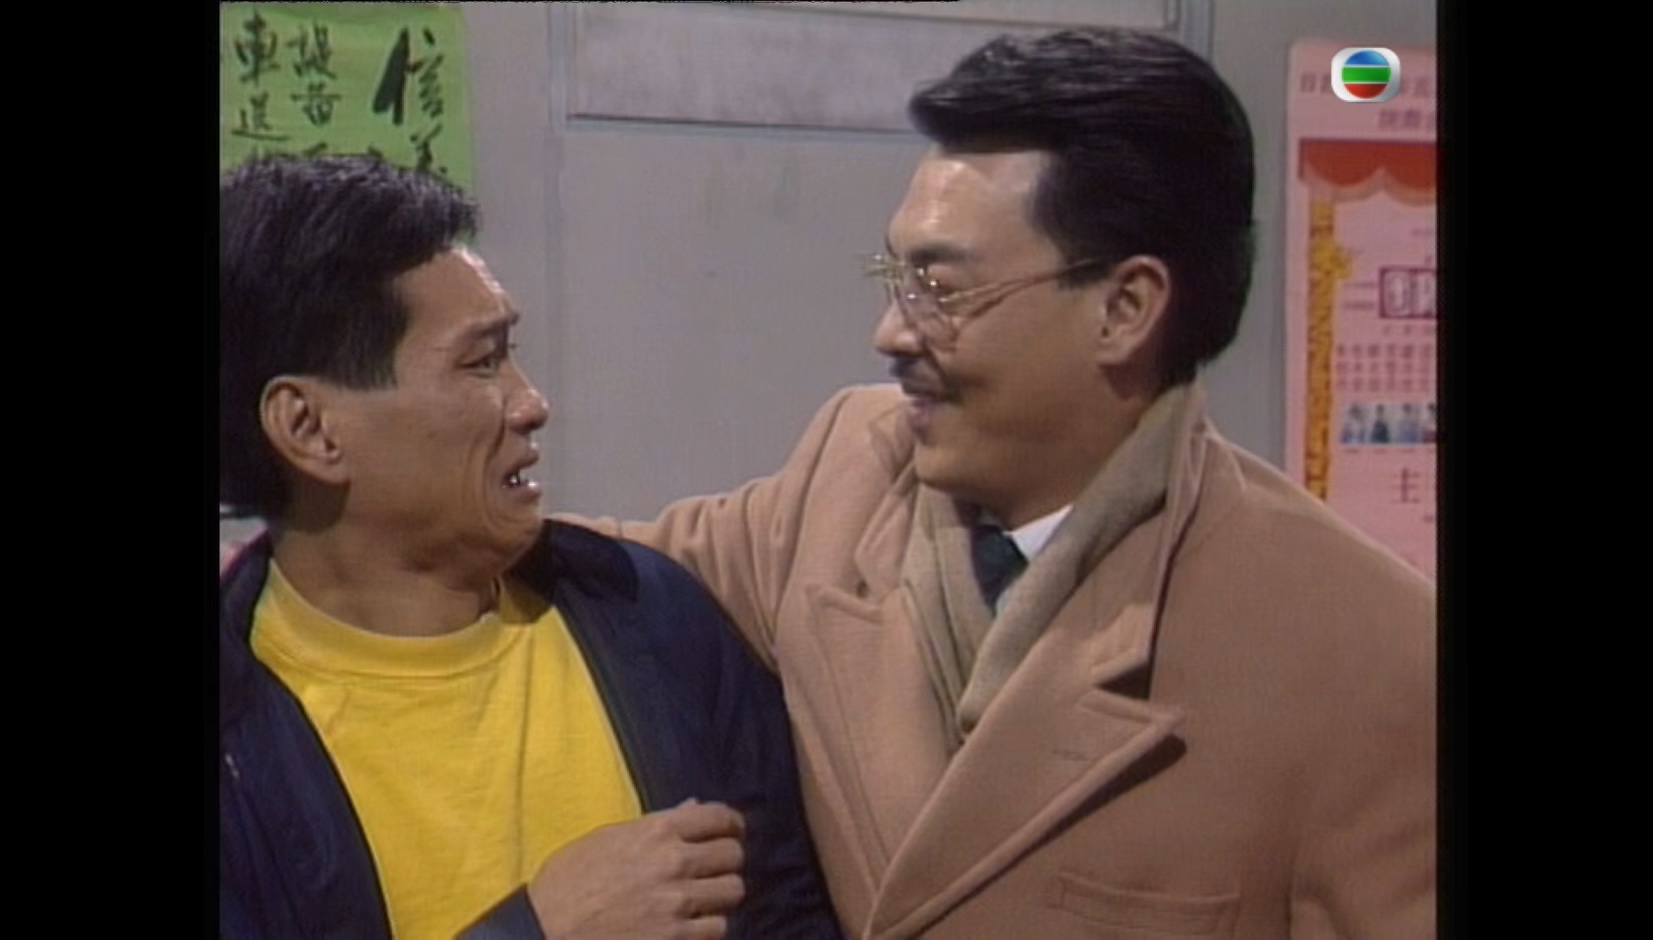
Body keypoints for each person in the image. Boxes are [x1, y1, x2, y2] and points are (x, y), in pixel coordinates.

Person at [576, 29, 1436, 939]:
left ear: (1125, 309)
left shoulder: (1368, 654)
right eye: (896, 277)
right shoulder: (849, 471)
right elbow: (597, 576)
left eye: (941, 290)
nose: (890, 333)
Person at [218, 155, 839, 939]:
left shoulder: (649, 612)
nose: (531, 403)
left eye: (511, 353)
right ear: (310, 429)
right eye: (480, 363)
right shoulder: (237, 740)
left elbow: (786, 914)